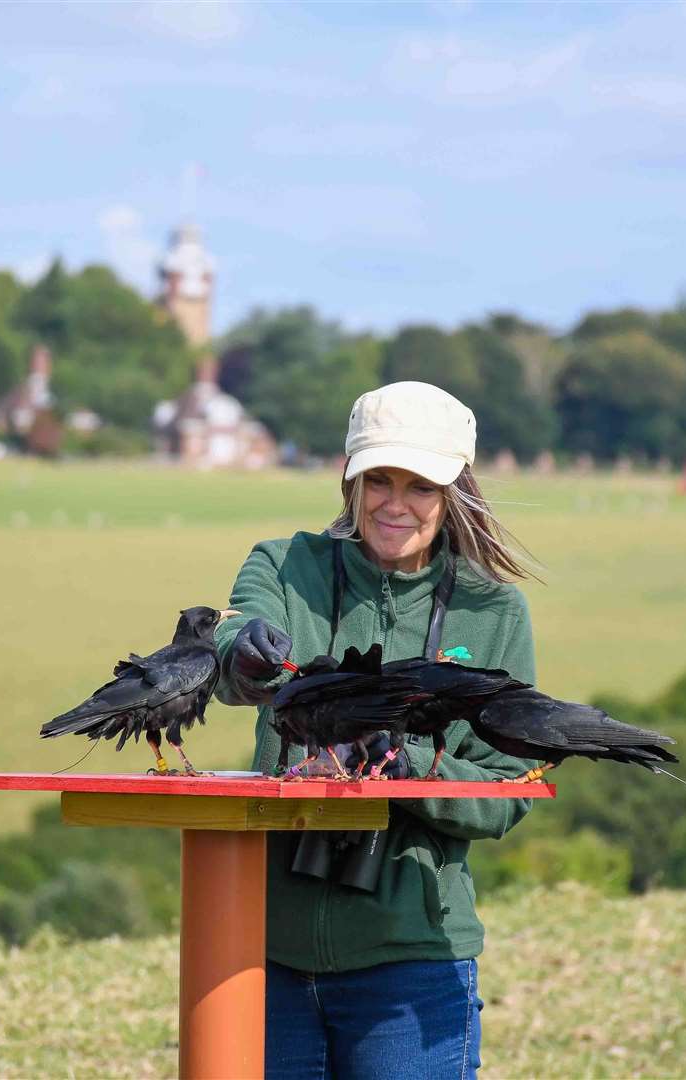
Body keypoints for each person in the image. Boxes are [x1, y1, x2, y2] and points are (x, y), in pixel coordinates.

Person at [213, 381, 541, 1080]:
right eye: (378, 481)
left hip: (413, 965)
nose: (396, 504)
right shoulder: (283, 566)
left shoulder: (494, 613)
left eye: (420, 486)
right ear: (348, 479)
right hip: (262, 956)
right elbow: (234, 637)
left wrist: (402, 769)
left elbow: (507, 792)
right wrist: (244, 652)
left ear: (456, 491)